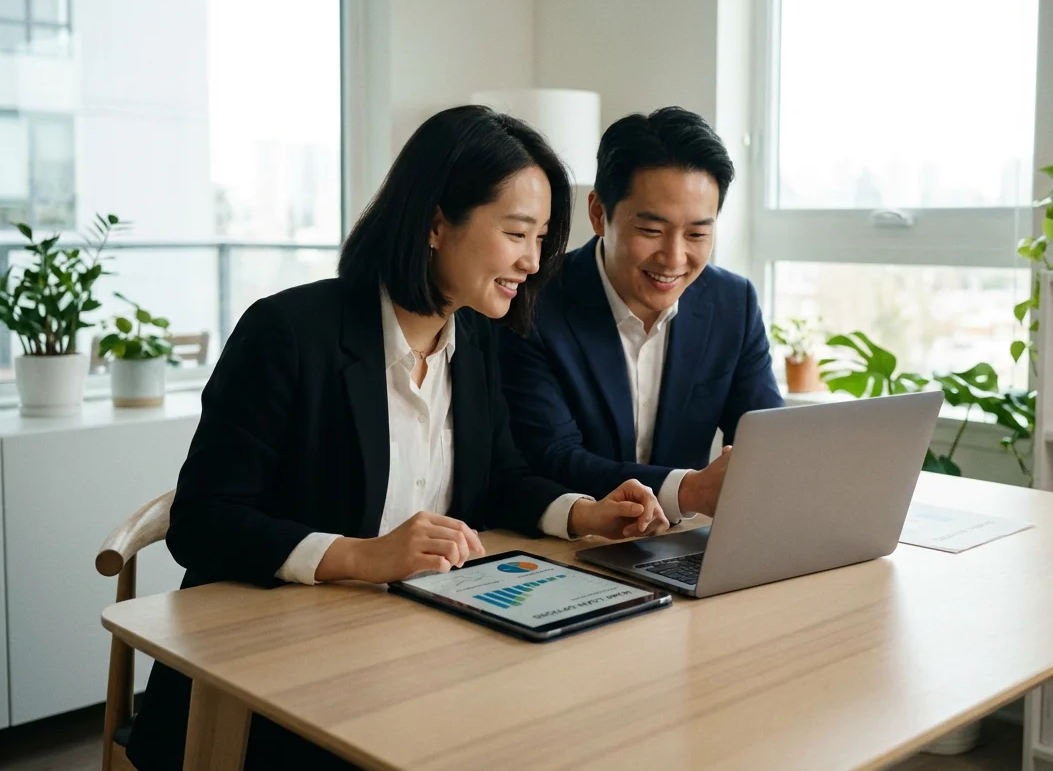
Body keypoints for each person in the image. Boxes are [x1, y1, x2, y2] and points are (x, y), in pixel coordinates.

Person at [125, 106, 669, 771]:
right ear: (437, 224)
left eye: (543, 238)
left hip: (413, 653)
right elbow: (204, 521)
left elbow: (499, 477)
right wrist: (362, 557)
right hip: (266, 686)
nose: (533, 261)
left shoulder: (478, 338)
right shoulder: (290, 334)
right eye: (518, 233)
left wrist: (582, 513)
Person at [499, 106, 784, 524]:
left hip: (680, 545)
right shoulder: (533, 299)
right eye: (651, 231)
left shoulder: (732, 302)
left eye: (697, 234)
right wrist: (689, 490)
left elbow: (767, 438)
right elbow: (552, 456)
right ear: (598, 213)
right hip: (570, 545)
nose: (674, 257)